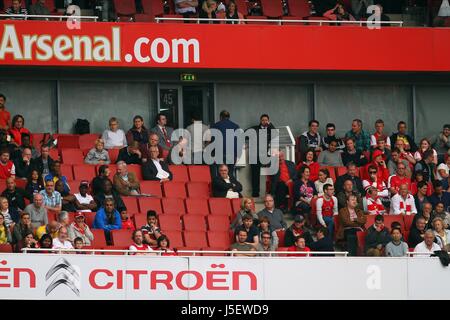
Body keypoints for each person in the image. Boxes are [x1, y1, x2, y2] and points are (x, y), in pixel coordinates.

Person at [248, 114, 276, 198]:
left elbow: (275, 135)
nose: (264, 121)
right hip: (255, 154)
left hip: (264, 155)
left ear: (268, 120)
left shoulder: (269, 129)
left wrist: (270, 125)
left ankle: (272, 192)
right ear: (260, 121)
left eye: (266, 120)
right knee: (255, 174)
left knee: (274, 170)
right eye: (263, 120)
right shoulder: (254, 128)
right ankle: (255, 193)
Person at [210, 110, 240, 176]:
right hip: (232, 154)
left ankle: (223, 186)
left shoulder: (215, 126)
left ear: (220, 117)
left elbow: (213, 141)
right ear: (229, 117)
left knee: (221, 174)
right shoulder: (236, 126)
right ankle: (231, 185)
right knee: (230, 174)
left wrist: (212, 153)